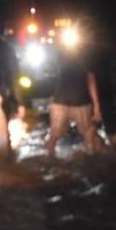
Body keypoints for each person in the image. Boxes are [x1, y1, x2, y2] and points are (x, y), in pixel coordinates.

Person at [46, 27, 105, 156]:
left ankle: (91, 161)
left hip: (77, 101)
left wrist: (96, 106)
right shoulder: (59, 53)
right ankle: (50, 160)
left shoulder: (86, 55)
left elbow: (91, 79)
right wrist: (96, 106)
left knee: (88, 134)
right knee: (54, 136)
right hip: (65, 101)